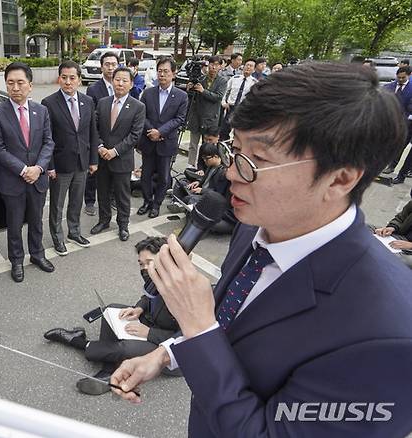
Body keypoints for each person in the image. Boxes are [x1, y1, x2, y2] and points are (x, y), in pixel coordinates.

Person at [110, 62, 412, 437]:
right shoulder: (255, 223)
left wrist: (198, 325)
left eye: (258, 161)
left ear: (341, 178)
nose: (233, 174)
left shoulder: (390, 337)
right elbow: (234, 325)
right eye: (235, 151)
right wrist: (167, 353)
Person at [43, 236, 180, 395]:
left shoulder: (183, 290)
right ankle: (109, 369)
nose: (144, 268)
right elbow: (148, 296)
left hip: (170, 351)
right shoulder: (158, 277)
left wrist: (149, 333)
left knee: (125, 348)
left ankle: (77, 341)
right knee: (111, 310)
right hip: (151, 324)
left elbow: (188, 338)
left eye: (149, 262)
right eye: (141, 264)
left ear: (165, 259)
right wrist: (139, 308)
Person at [0, 62, 55, 283]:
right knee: (14, 224)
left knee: (36, 221)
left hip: (38, 179)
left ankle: (37, 254)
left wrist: (38, 168)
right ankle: (16, 260)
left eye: (20, 82)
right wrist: (24, 169)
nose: (15, 87)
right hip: (13, 180)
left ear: (30, 85)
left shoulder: (41, 110)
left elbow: (48, 143)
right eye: (10, 83)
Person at [42, 61, 100, 256]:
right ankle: (58, 237)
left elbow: (92, 133)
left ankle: (74, 232)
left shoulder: (88, 101)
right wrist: (49, 166)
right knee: (57, 204)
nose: (68, 82)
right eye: (64, 78)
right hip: (60, 164)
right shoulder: (49, 103)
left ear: (79, 79)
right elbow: (47, 138)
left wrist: (93, 160)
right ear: (59, 79)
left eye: (72, 78)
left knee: (76, 201)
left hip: (82, 162)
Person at [90, 67, 146, 242]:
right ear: (112, 81)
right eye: (117, 79)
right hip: (102, 157)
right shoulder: (103, 102)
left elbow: (135, 135)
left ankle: (123, 225)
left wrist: (114, 151)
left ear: (131, 84)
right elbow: (95, 128)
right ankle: (104, 220)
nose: (120, 83)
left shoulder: (138, 106)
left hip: (122, 159)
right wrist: (99, 147)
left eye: (124, 80)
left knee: (122, 196)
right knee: (103, 192)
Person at [137, 57, 188, 218]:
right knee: (145, 175)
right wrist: (152, 130)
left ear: (174, 73)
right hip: (148, 140)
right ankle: (147, 201)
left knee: (164, 177)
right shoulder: (148, 92)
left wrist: (160, 132)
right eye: (160, 71)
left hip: (166, 142)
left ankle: (157, 204)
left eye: (166, 71)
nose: (162, 75)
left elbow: (179, 119)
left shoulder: (181, 95)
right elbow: (142, 115)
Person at [167, 142, 236, 234]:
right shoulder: (210, 167)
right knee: (182, 183)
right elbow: (205, 180)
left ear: (215, 156)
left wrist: (202, 190)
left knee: (191, 199)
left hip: (209, 197)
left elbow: (218, 194)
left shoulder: (223, 172)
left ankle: (192, 224)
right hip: (202, 191)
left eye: (206, 159)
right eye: (203, 159)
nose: (205, 161)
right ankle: (178, 203)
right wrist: (198, 182)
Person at [84, 51, 119, 217]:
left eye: (113, 64)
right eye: (107, 64)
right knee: (93, 172)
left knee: (113, 171)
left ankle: (111, 198)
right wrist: (97, 142)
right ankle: (90, 201)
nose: (110, 67)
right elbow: (92, 118)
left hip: (117, 138)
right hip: (98, 137)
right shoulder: (93, 89)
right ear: (101, 67)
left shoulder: (122, 85)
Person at [186, 56, 228, 169]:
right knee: (193, 144)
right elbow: (193, 98)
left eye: (216, 64)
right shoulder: (201, 79)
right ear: (207, 65)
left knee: (208, 145)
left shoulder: (222, 81)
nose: (213, 67)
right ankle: (191, 165)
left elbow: (218, 97)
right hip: (197, 116)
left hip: (210, 118)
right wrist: (190, 89)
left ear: (220, 66)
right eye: (211, 64)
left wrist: (203, 91)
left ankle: (206, 167)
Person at [383, 66, 412, 182]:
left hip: (408, 123)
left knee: (407, 150)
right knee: (398, 146)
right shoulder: (389, 86)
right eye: (398, 77)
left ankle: (402, 174)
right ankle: (391, 165)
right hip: (393, 122)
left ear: (409, 75)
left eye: (403, 78)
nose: (400, 79)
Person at [219, 59, 257, 141]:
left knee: (238, 133)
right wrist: (224, 102)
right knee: (224, 131)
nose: (248, 67)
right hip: (230, 107)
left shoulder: (254, 83)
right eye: (247, 65)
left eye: (251, 66)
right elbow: (225, 91)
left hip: (243, 109)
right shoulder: (235, 78)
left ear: (254, 70)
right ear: (243, 66)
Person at [373, 195, 412, 268]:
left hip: (409, 247)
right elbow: (400, 218)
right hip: (400, 236)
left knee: (397, 260)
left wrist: (410, 245)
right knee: (365, 228)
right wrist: (392, 227)